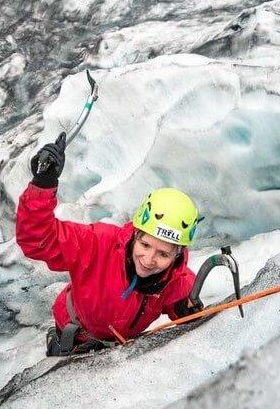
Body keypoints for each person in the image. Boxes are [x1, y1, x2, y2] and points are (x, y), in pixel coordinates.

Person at [16, 132, 203, 356]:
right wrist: (42, 186)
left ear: (178, 255)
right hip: (73, 338)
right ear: (135, 233)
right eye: (145, 245)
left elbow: (188, 313)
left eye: (163, 255)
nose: (149, 260)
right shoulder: (98, 244)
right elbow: (38, 240)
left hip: (119, 352)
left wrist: (187, 311)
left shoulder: (177, 280)